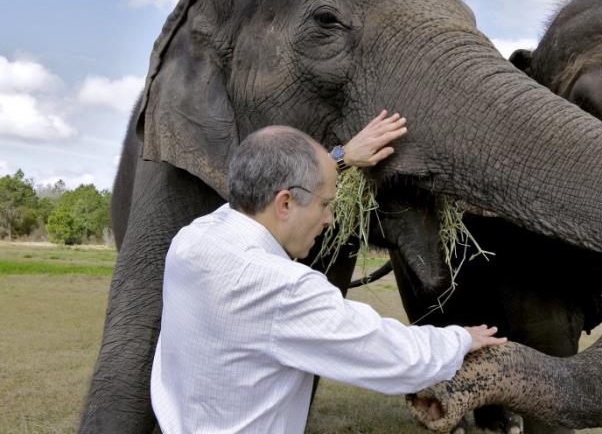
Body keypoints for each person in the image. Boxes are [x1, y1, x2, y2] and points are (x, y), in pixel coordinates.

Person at [149, 111, 506, 433]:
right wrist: (460, 339)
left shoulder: (192, 239)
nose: (329, 219)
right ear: (285, 202)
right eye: (324, 204)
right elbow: (391, 354)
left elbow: (271, 184)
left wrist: (341, 156)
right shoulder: (281, 289)